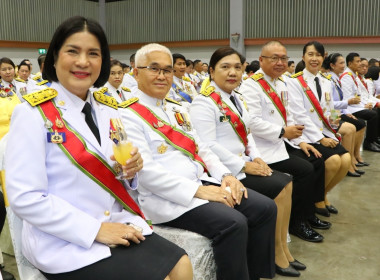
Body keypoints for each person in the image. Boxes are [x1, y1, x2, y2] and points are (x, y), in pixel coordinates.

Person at [5, 16, 192, 280]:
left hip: (117, 223)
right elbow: (25, 198)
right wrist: (95, 230)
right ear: (55, 57)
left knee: (182, 264)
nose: (83, 62)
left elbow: (116, 168)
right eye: (73, 51)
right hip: (64, 241)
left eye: (93, 53)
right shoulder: (32, 114)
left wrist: (132, 170)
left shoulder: (107, 108)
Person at [119, 43, 277, 280]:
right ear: (136, 71)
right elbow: (146, 173)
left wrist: (226, 175)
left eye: (167, 70)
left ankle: (255, 274)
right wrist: (198, 191)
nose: (162, 76)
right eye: (154, 69)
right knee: (233, 223)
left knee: (265, 208)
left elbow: (201, 147)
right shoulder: (125, 115)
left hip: (200, 183)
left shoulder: (176, 109)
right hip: (167, 198)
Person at [190, 47, 304, 277]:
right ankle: (275, 255)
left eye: (237, 68)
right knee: (279, 187)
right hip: (223, 170)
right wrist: (243, 165)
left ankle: (282, 247)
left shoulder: (237, 98)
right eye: (225, 67)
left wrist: (256, 156)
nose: (232, 72)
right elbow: (208, 145)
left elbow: (247, 132)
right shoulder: (204, 103)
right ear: (211, 71)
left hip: (243, 162)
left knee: (286, 182)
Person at [239, 41, 328, 243]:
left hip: (282, 143)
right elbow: (251, 122)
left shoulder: (281, 82)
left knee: (315, 160)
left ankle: (308, 213)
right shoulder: (251, 86)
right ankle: (297, 223)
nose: (280, 63)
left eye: (283, 59)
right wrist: (282, 132)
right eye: (274, 58)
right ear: (261, 60)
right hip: (265, 148)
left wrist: (301, 141)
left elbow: (287, 115)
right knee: (304, 169)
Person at [287, 41, 351, 215]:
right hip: (307, 135)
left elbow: (330, 109)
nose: (314, 59)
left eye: (318, 55)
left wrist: (335, 123)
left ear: (323, 57)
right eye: (310, 54)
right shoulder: (294, 82)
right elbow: (299, 115)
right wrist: (320, 138)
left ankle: (322, 194)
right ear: (303, 57)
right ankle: (317, 199)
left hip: (324, 131)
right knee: (333, 161)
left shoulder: (325, 81)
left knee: (346, 160)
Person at [323, 53, 368, 174]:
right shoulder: (329, 80)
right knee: (352, 127)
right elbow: (331, 104)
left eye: (344, 63)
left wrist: (347, 112)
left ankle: (353, 159)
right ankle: (349, 163)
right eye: (341, 63)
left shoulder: (336, 79)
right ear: (332, 65)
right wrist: (347, 103)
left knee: (356, 124)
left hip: (336, 112)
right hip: (331, 114)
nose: (343, 66)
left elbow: (338, 102)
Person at [340, 53, 380, 152]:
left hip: (356, 105)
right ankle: (369, 142)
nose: (360, 64)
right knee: (373, 114)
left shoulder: (353, 76)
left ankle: (374, 139)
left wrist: (368, 104)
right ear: (350, 63)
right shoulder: (347, 77)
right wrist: (365, 106)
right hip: (349, 108)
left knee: (375, 111)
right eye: (357, 62)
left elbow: (360, 96)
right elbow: (348, 98)